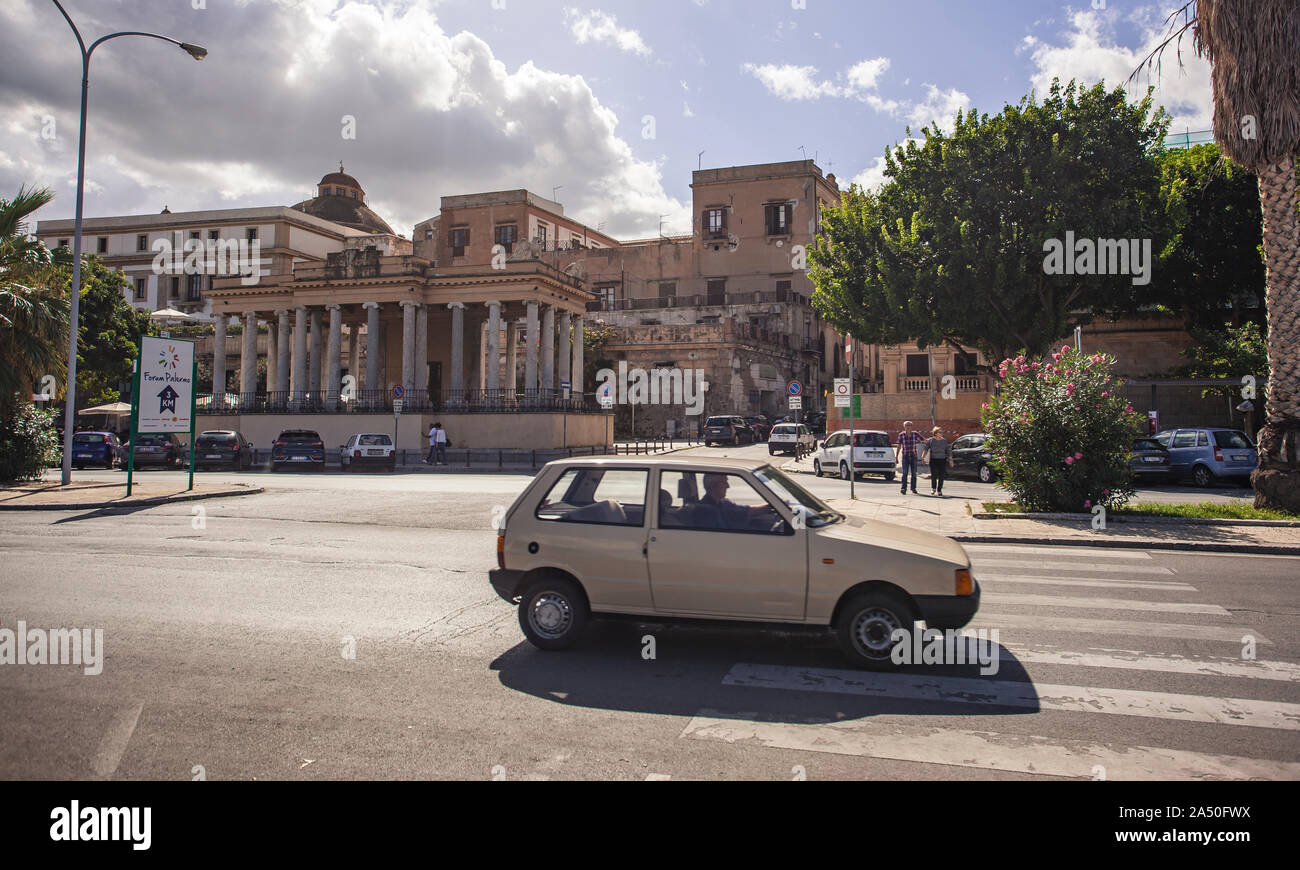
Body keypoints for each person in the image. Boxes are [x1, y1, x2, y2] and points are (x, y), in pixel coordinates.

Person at [695, 472, 773, 530]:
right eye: (724, 482)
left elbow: (747, 511)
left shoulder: (723, 503)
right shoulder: (705, 511)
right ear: (713, 485)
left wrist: (771, 506)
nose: (728, 486)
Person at [895, 420, 923, 494]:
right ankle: (903, 488)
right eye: (906, 425)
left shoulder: (915, 434)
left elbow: (923, 440)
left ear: (912, 427)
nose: (908, 427)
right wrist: (896, 456)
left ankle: (913, 488)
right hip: (905, 456)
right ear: (904, 426)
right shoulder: (901, 435)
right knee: (905, 473)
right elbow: (899, 445)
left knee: (914, 473)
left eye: (909, 425)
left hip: (913, 456)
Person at [922, 426, 950, 496]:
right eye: (940, 432)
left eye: (942, 432)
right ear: (935, 433)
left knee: (941, 475)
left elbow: (948, 450)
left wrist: (950, 459)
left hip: (942, 460)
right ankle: (933, 488)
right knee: (934, 475)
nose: (941, 433)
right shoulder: (931, 441)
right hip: (933, 459)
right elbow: (925, 449)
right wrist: (923, 457)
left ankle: (939, 490)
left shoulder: (944, 441)